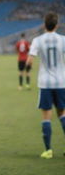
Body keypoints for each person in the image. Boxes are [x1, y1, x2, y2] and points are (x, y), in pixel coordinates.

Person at [26, 12, 65, 159]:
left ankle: (48, 150)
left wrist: (27, 70)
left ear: (44, 25)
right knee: (62, 114)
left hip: (45, 82)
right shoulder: (62, 40)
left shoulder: (38, 40)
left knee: (46, 117)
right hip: (61, 82)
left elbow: (30, 61)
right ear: (57, 25)